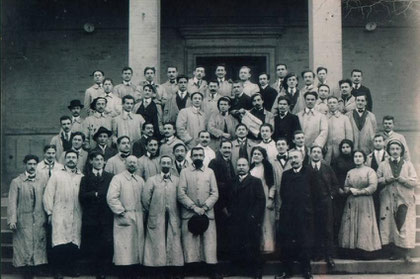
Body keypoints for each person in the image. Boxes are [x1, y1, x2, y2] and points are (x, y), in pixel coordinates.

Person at [177, 147, 219, 278]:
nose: (198, 157)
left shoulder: (210, 172)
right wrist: (194, 207)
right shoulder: (184, 172)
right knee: (189, 244)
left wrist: (205, 207)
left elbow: (215, 193)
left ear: (204, 156)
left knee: (209, 244)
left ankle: (211, 271)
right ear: (191, 157)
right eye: (195, 155)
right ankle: (189, 270)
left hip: (207, 213)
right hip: (189, 213)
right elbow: (181, 193)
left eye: (200, 155)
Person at [43, 150, 84, 278]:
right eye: (69, 157)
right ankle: (58, 270)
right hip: (59, 213)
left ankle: (70, 269)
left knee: (73, 242)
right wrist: (49, 213)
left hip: (76, 213)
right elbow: (48, 195)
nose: (71, 159)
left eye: (74, 157)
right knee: (59, 242)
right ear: (65, 159)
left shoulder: (81, 176)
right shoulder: (56, 175)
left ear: (77, 160)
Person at [377, 139, 418, 263]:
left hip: (404, 198)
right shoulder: (383, 165)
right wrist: (386, 180)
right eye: (392, 149)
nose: (395, 151)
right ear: (388, 151)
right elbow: (377, 180)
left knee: (404, 223)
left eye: (397, 149)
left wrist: (403, 180)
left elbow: (415, 181)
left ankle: (406, 253)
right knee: (390, 224)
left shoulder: (408, 164)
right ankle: (395, 252)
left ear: (401, 150)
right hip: (388, 197)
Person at [142, 156, 184, 275]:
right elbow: (145, 199)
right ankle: (156, 269)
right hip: (156, 217)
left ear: (171, 165)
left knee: (174, 240)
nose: (166, 165)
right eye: (163, 163)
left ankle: (172, 268)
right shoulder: (152, 180)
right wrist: (153, 211)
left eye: (168, 163)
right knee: (156, 242)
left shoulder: (177, 180)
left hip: (173, 216)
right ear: (160, 164)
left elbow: (180, 197)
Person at [8, 155, 48, 278]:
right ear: (25, 165)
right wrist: (12, 219)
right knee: (24, 246)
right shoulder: (17, 182)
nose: (32, 167)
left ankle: (36, 269)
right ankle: (26, 272)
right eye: (29, 164)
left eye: (34, 164)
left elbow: (47, 199)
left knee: (38, 244)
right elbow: (12, 202)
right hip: (23, 219)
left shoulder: (42, 180)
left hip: (39, 218)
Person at [277, 149, 313, 279]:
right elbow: (283, 193)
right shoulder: (286, 174)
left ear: (302, 158)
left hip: (304, 214)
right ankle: (287, 271)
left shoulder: (309, 172)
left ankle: (306, 270)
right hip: (289, 215)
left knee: (304, 243)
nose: (294, 160)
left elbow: (315, 193)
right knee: (287, 244)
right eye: (291, 158)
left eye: (296, 157)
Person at [106, 155, 145, 277]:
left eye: (134, 162)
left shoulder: (140, 180)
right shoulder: (117, 179)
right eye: (130, 162)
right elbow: (111, 197)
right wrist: (121, 211)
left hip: (138, 216)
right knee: (124, 249)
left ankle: (135, 272)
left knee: (137, 247)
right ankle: (124, 274)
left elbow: (144, 198)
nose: (132, 164)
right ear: (125, 164)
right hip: (124, 216)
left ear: (137, 165)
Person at [338, 150, 381, 259]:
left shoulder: (370, 171)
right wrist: (350, 189)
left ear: (364, 158)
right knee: (351, 224)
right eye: (355, 156)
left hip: (365, 202)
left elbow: (373, 187)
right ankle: (353, 250)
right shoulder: (350, 172)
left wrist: (359, 191)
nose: (357, 158)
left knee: (364, 225)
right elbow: (346, 186)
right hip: (352, 201)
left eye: (360, 156)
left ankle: (365, 251)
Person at [228, 157, 266, 279]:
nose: (241, 167)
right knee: (235, 245)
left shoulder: (255, 181)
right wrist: (229, 213)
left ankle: (256, 271)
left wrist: (254, 216)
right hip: (235, 219)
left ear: (248, 167)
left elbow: (261, 201)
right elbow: (227, 199)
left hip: (250, 219)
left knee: (253, 245)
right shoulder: (232, 181)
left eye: (244, 165)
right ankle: (235, 269)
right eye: (239, 165)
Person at [79, 152, 114, 279]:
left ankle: (104, 270)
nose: (99, 162)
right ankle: (95, 271)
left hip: (106, 216)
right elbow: (81, 197)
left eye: (101, 160)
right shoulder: (85, 178)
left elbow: (112, 194)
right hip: (91, 217)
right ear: (91, 162)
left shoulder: (110, 177)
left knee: (105, 244)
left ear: (104, 162)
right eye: (96, 160)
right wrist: (94, 194)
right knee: (93, 244)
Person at [308, 146, 339, 267]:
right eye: (314, 152)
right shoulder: (306, 168)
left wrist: (331, 196)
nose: (316, 154)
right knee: (313, 228)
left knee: (327, 229)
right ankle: (316, 253)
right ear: (310, 154)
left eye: (318, 152)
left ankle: (329, 256)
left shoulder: (327, 167)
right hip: (310, 204)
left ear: (322, 155)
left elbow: (335, 184)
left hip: (325, 203)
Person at [208, 140, 236, 260]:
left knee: (228, 233)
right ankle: (220, 260)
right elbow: (213, 184)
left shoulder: (230, 162)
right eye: (224, 147)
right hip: (219, 203)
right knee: (220, 233)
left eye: (229, 148)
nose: (227, 150)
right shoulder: (214, 162)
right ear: (219, 149)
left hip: (229, 202)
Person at [249, 146, 276, 255]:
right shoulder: (250, 168)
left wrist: (270, 198)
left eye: (259, 154)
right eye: (254, 154)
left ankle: (267, 248)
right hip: (252, 199)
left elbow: (272, 185)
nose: (256, 156)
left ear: (263, 156)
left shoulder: (267, 167)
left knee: (266, 222)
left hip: (264, 197)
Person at [331, 139, 355, 242]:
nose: (345, 149)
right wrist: (338, 189)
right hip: (340, 192)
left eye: (347, 147)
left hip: (353, 191)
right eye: (343, 147)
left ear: (351, 148)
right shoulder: (336, 160)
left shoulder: (355, 158)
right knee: (340, 217)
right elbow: (333, 176)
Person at [325, 96, 353, 164]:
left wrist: (347, 148)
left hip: (341, 150)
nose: (332, 104)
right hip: (327, 151)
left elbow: (349, 136)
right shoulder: (323, 118)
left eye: (334, 102)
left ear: (338, 104)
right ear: (327, 105)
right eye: (330, 103)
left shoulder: (344, 118)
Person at [271, 138, 292, 224]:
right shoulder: (272, 162)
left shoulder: (293, 159)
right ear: (276, 146)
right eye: (278, 144)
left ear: (287, 146)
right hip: (278, 194)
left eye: (283, 144)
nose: (281, 146)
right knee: (279, 219)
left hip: (292, 193)